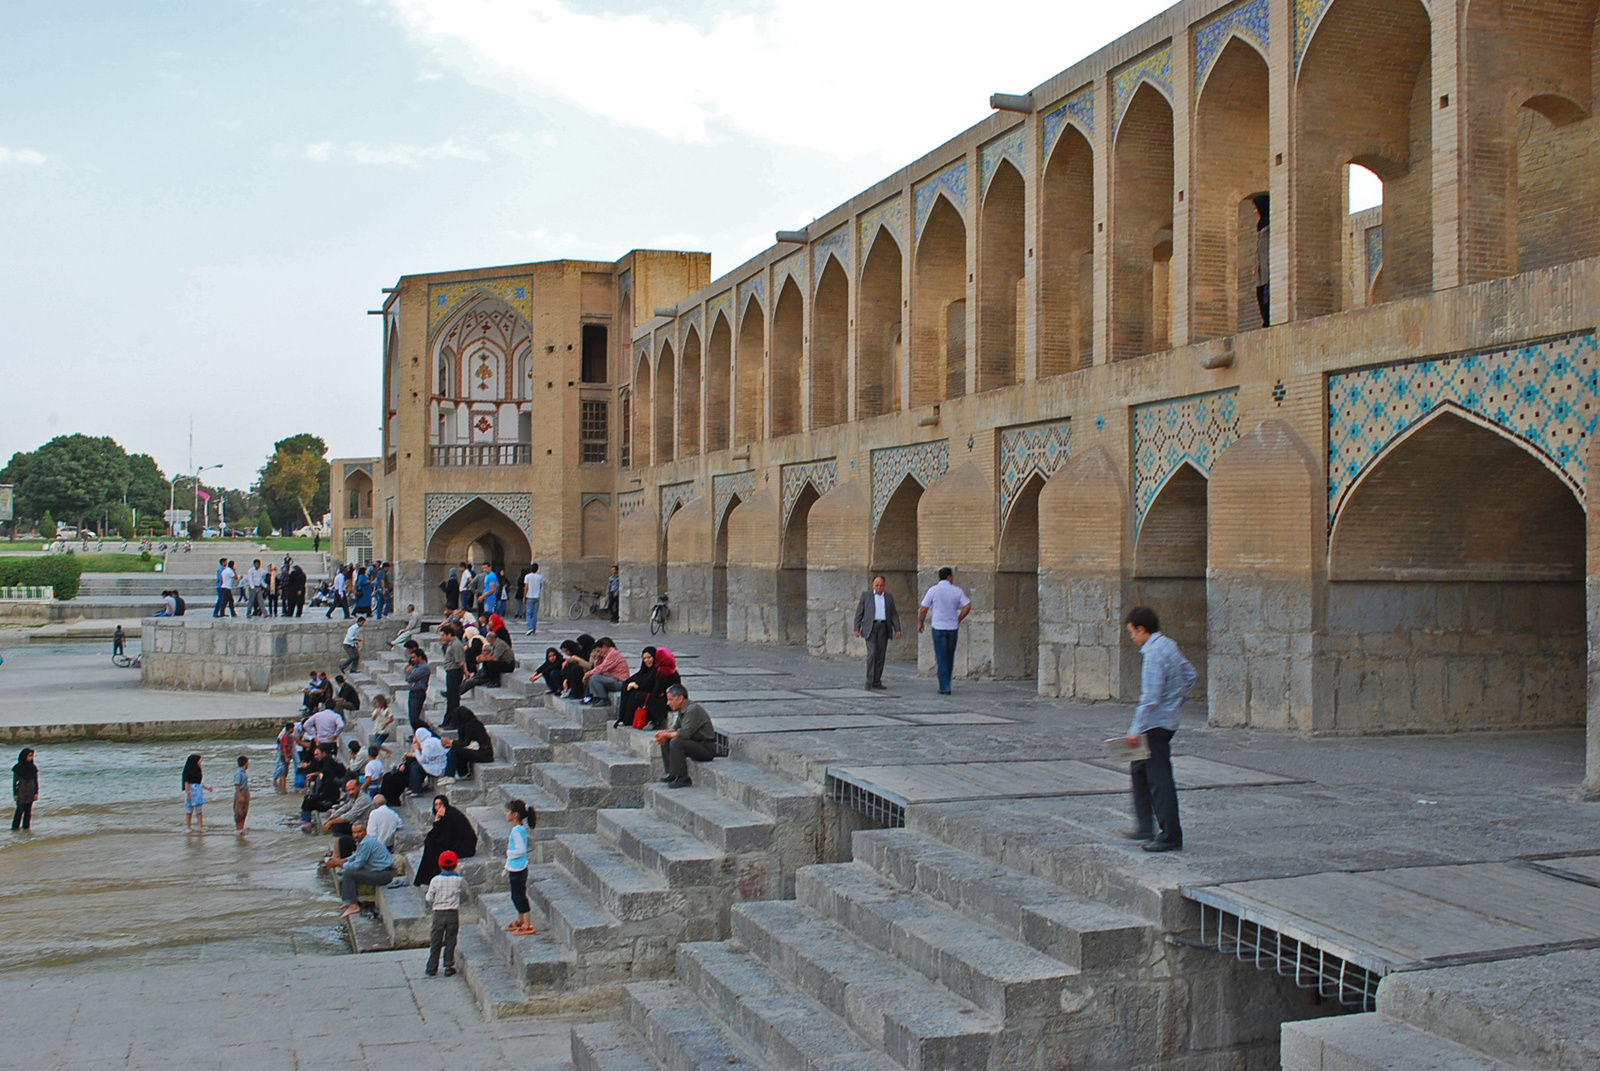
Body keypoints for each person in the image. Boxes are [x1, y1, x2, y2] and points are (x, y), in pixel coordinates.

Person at [1123, 606, 1196, 853]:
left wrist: (1134, 729)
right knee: (1139, 769)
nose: (1132, 638)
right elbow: (1190, 674)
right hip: (1167, 720)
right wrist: (1177, 700)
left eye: (1132, 632)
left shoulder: (1153, 653)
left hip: (1155, 724)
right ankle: (1145, 826)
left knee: (1159, 779)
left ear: (1141, 629)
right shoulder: (1169, 645)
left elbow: (1151, 696)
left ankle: (1170, 835)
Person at [917, 567, 972, 695]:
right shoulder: (957, 590)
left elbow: (924, 608)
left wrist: (921, 623)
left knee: (941, 657)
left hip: (938, 627)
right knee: (949, 656)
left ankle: (944, 687)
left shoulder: (933, 590)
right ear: (949, 577)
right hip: (952, 627)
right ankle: (947, 682)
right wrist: (959, 618)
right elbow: (967, 606)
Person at [329, 819, 395, 920]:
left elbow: (356, 865)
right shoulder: (364, 841)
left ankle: (352, 905)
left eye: (358, 832)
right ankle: (350, 900)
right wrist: (342, 861)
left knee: (350, 872)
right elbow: (356, 856)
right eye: (354, 832)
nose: (356, 835)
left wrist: (338, 863)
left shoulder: (366, 843)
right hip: (381, 872)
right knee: (349, 870)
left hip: (384, 875)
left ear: (365, 831)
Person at [655, 684, 715, 789]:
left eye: (670, 699)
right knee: (667, 739)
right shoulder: (682, 710)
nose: (668, 703)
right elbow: (675, 728)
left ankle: (683, 777)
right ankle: (672, 774)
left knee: (676, 742)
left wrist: (667, 734)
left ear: (681, 698)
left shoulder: (692, 710)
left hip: (706, 748)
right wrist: (663, 734)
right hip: (695, 743)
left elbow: (684, 733)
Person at [413, 794, 477, 887]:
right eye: (436, 805)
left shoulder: (450, 815)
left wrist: (437, 822)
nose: (438, 807)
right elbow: (437, 834)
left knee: (431, 845)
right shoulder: (444, 815)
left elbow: (445, 837)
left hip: (464, 847)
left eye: (440, 804)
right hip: (454, 841)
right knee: (430, 843)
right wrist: (437, 820)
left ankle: (430, 876)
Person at [854, 575, 904, 690]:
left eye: (881, 586)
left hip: (883, 628)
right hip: (870, 628)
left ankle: (877, 681)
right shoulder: (866, 596)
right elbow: (859, 613)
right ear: (873, 585)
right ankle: (869, 680)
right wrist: (856, 628)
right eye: (876, 586)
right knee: (872, 653)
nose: (879, 588)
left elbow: (894, 614)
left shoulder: (889, 598)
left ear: (884, 585)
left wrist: (897, 629)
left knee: (880, 655)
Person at [424, 849, 465, 976]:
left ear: (440, 865)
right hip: (453, 913)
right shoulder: (459, 880)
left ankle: (432, 967)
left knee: (436, 940)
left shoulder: (435, 880)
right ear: (455, 865)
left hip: (438, 914)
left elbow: (429, 898)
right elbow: (466, 893)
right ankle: (448, 966)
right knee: (451, 939)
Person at [503, 799, 536, 935]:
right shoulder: (520, 829)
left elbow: (521, 850)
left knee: (519, 896)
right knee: (516, 895)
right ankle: (520, 919)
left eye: (508, 811)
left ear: (515, 815)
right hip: (516, 868)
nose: (506, 814)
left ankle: (527, 923)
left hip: (518, 868)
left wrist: (509, 852)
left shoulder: (517, 832)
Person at [441, 706, 493, 780]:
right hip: (482, 752)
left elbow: (465, 743)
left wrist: (451, 742)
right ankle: (463, 773)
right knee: (456, 749)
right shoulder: (472, 723)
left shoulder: (471, 725)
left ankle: (450, 776)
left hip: (484, 754)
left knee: (455, 750)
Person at [459, 630, 515, 695]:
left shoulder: (500, 644)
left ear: (490, 639)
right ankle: (455, 692)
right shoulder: (496, 644)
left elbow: (495, 658)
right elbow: (492, 656)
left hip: (509, 664)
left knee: (491, 662)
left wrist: (484, 658)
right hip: (500, 664)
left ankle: (495, 681)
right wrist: (482, 658)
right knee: (487, 662)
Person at [617, 646, 657, 728]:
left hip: (653, 697)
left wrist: (636, 685)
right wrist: (630, 684)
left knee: (635, 694)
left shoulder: (657, 670)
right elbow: (635, 678)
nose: (647, 660)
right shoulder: (644, 670)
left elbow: (649, 682)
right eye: (644, 658)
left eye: (649, 657)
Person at [582, 637, 629, 707]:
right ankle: (597, 697)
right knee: (593, 676)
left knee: (595, 677)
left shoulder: (613, 654)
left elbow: (602, 668)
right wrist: (598, 657)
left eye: (599, 651)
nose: (598, 653)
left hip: (620, 681)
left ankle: (603, 699)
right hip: (612, 679)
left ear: (604, 647)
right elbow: (597, 667)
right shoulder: (605, 656)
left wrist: (587, 674)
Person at [407, 727, 449, 795]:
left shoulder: (428, 744)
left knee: (416, 767)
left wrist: (416, 750)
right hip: (436, 764)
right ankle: (412, 788)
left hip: (439, 767)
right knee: (414, 764)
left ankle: (417, 790)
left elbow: (422, 760)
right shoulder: (432, 740)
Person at [440, 625, 467, 726]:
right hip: (450, 672)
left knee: (454, 698)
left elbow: (460, 662)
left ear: (449, 634)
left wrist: (466, 673)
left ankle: (454, 722)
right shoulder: (451, 644)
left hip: (455, 672)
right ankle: (447, 720)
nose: (442, 637)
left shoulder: (456, 645)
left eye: (443, 635)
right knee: (450, 698)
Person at [1252, 193, 1271, 328]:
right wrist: (1256, 263)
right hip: (1261, 268)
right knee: (1260, 294)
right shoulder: (1262, 224)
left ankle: (1270, 320)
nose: (1254, 211)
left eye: (1255, 207)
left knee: (1267, 295)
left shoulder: (1270, 224)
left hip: (1269, 267)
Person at [405, 647, 432, 731]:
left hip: (418, 693)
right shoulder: (416, 667)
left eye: (414, 657)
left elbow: (411, 677)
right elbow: (407, 677)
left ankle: (419, 733)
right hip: (413, 692)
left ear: (419, 657)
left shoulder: (424, 667)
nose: (412, 659)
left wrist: (410, 671)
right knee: (412, 716)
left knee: (414, 717)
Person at [182, 754, 211, 832]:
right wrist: (188, 794)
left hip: (198, 792)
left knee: (199, 811)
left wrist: (207, 788)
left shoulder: (198, 770)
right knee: (189, 811)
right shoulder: (187, 771)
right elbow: (186, 783)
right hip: (191, 792)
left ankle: (200, 827)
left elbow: (199, 783)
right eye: (199, 760)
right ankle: (188, 827)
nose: (200, 762)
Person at [12, 748, 37, 831]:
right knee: (19, 811)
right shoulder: (18, 768)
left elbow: (36, 781)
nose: (31, 758)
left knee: (28, 812)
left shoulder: (33, 768)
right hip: (21, 792)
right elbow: (15, 782)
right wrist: (15, 794)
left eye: (32, 756)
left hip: (31, 792)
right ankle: (15, 828)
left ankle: (26, 829)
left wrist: (36, 793)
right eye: (29, 756)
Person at [272, 722, 295, 793]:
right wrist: (286, 757)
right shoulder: (285, 737)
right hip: (284, 755)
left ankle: (282, 788)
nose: (294, 730)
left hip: (286, 755)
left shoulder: (288, 736)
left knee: (285, 772)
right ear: (290, 729)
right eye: (293, 728)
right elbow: (284, 747)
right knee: (283, 772)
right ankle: (283, 788)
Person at [232, 755, 250, 836]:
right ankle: (238, 829)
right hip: (241, 792)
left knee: (245, 810)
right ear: (245, 763)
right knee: (239, 811)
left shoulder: (244, 773)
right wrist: (239, 795)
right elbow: (237, 785)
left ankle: (242, 828)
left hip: (246, 791)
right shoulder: (239, 773)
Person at [523, 563, 542, 635]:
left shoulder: (527, 576)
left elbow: (526, 587)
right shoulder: (540, 577)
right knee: (534, 614)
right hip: (537, 596)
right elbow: (540, 585)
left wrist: (524, 597)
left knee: (528, 613)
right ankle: (533, 629)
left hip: (529, 596)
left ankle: (530, 627)